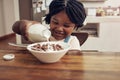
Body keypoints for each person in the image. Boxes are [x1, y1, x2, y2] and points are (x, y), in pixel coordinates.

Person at [12, 0, 86, 50]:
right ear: (49, 19)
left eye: (66, 25)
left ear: (75, 26)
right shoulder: (41, 34)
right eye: (55, 22)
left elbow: (75, 60)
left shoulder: (72, 41)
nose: (59, 29)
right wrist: (25, 25)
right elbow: (15, 27)